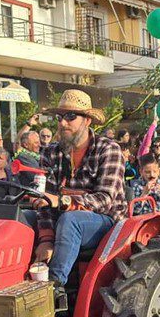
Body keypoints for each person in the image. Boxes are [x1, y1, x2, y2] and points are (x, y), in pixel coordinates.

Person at [33, 90, 126, 288]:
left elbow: (105, 199)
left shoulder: (108, 149)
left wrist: (64, 201)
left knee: (70, 220)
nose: (62, 123)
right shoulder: (50, 152)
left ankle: (54, 287)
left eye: (70, 116)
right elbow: (43, 199)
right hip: (62, 218)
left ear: (87, 120)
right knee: (21, 218)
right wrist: (46, 239)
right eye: (60, 117)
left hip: (106, 222)